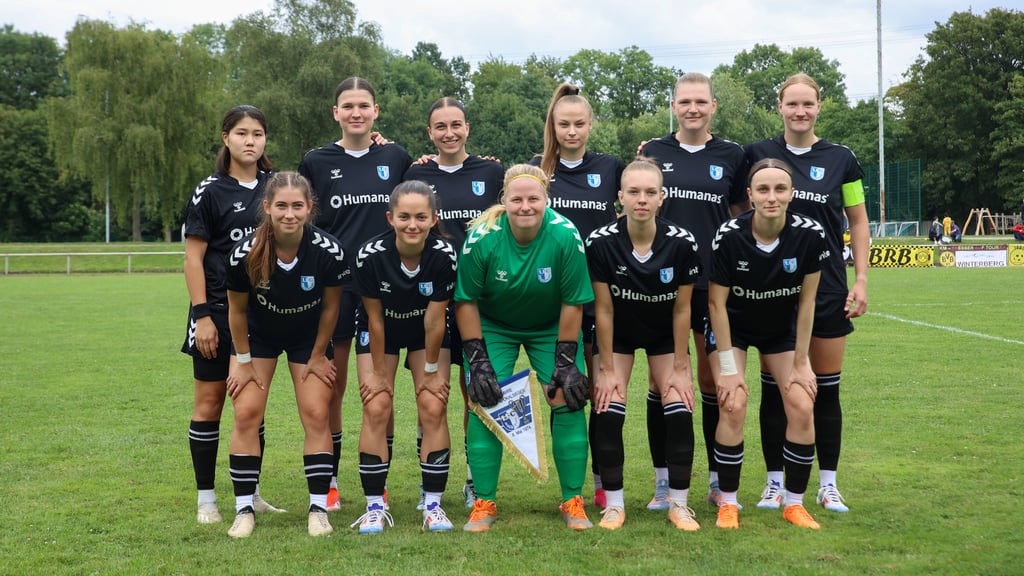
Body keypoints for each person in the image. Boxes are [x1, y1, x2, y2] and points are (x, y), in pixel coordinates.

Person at [745, 73, 869, 513]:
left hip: (829, 286)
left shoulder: (842, 159)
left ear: (819, 107)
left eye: (808, 104)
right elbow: (738, 211)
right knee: (776, 388)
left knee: (826, 389)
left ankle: (828, 484)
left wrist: (861, 279)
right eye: (792, 104)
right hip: (770, 290)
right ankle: (774, 482)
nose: (800, 111)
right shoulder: (757, 154)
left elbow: (856, 220)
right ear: (778, 106)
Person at [455, 164, 594, 532]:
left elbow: (573, 301)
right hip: (494, 323)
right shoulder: (483, 235)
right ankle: (484, 503)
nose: (525, 206)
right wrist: (478, 361)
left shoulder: (565, 235)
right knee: (484, 396)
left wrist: (566, 363)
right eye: (517, 199)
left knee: (568, 394)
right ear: (505, 200)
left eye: (534, 198)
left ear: (547, 199)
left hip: (551, 324)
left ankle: (573, 500)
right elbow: (466, 301)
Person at [298, 77, 412, 512]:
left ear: (376, 111)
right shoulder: (316, 161)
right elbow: (304, 223)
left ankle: (377, 482)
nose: (356, 113)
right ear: (336, 113)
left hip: (389, 290)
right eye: (348, 106)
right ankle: (328, 482)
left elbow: (417, 200)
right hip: (337, 288)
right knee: (334, 386)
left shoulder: (396, 157)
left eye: (364, 105)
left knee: (381, 388)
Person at [638, 72, 749, 510]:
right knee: (660, 379)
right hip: (658, 284)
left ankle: (718, 478)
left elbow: (742, 213)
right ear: (673, 105)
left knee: (710, 378)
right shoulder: (653, 151)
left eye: (700, 102)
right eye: (685, 102)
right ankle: (663, 481)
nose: (692, 109)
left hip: (711, 285)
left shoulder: (732, 155)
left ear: (713, 106)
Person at [222, 171, 350, 538]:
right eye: (281, 206)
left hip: (307, 340)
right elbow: (236, 311)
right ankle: (243, 509)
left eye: (297, 206)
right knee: (246, 413)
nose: (289, 214)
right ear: (267, 208)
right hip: (257, 339)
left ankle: (318, 509)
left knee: (315, 413)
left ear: (310, 208)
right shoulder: (244, 253)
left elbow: (330, 309)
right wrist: (243, 361)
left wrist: (318, 356)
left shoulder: (329, 251)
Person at [706, 158, 828, 530]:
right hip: (734, 328)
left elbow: (807, 303)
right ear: (750, 195)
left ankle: (794, 503)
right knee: (733, 403)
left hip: (780, 331)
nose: (771, 197)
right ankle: (728, 502)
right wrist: (728, 370)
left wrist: (802, 361)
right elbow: (716, 305)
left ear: (791, 193)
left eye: (779, 189)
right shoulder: (729, 235)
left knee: (802, 403)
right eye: (763, 189)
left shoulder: (810, 234)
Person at [585, 157, 702, 531]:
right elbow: (602, 309)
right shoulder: (601, 243)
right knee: (607, 404)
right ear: (619, 197)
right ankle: (614, 505)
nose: (642, 199)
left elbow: (683, 308)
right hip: (618, 333)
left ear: (662, 197)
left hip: (664, 334)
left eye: (650, 192)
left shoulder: (682, 243)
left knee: (679, 403)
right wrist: (604, 367)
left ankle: (678, 504)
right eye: (633, 192)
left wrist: (682, 364)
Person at [181, 105, 284, 525]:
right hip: (216, 314)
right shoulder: (210, 191)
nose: (250, 141)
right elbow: (193, 259)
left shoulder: (275, 188)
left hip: (257, 316)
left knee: (250, 407)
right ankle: (207, 499)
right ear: (225, 138)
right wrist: (202, 315)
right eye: (241, 133)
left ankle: (251, 492)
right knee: (209, 404)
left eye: (257, 134)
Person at [404, 96, 503, 508]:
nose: (449, 133)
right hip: (430, 299)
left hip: (478, 298)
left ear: (467, 128)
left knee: (473, 389)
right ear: (430, 133)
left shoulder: (491, 170)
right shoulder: (416, 172)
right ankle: (431, 471)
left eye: (456, 125)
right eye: (440, 127)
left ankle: (471, 477)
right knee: (432, 390)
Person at [529, 83, 624, 510]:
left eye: (579, 124)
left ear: (591, 125)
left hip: (600, 295)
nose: (572, 131)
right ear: (553, 125)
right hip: (549, 300)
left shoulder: (610, 168)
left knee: (600, 389)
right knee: (563, 391)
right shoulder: (536, 169)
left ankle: (603, 483)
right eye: (563, 124)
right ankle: (571, 489)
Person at [347, 181, 458, 534]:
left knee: (433, 404)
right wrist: (380, 373)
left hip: (426, 332)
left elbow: (435, 318)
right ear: (390, 218)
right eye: (405, 217)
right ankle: (375, 506)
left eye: (421, 217)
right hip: (382, 332)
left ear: (433, 218)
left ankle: (433, 505)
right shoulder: (369, 255)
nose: (412, 224)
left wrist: (428, 370)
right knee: (377, 405)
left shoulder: (444, 255)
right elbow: (375, 320)